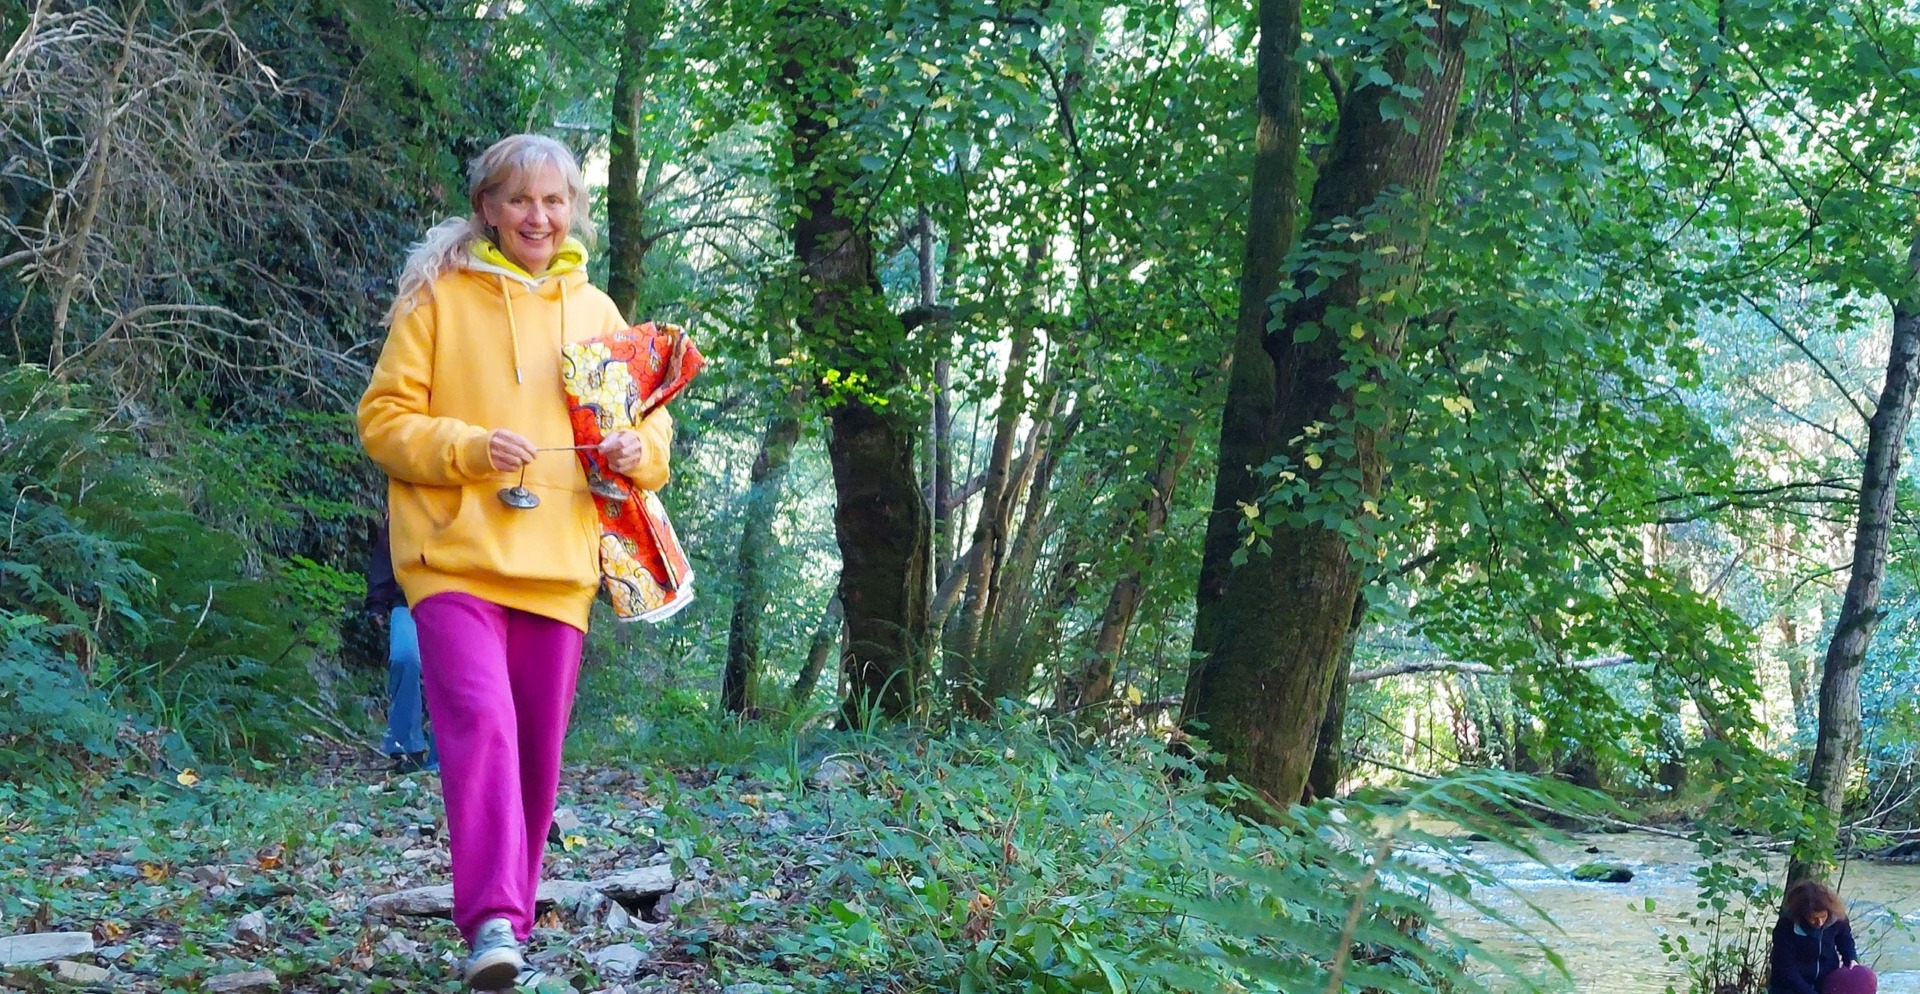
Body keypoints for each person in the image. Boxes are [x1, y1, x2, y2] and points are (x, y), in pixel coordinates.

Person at [357, 133, 672, 991]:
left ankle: (511, 929)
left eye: (555, 200)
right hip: (452, 553)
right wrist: (464, 447)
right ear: (487, 209)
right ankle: (491, 918)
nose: (539, 215)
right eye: (520, 199)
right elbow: (383, 420)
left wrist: (633, 445)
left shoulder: (600, 313)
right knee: (481, 723)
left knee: (536, 750)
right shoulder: (436, 298)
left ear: (574, 211)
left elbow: (652, 431)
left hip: (560, 564)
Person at [366, 517, 436, 773]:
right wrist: (377, 603)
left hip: (451, 601)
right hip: (405, 601)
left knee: (446, 672)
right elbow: (385, 556)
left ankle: (444, 754)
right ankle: (406, 746)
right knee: (404, 658)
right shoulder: (401, 513)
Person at [1769, 878, 1859, 994]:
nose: (1820, 922)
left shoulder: (1838, 918)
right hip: (1789, 986)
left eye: (1823, 917)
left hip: (1825, 981)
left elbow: (1845, 939)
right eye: (1814, 918)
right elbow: (1785, 967)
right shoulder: (1787, 925)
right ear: (1802, 913)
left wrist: (1851, 958)